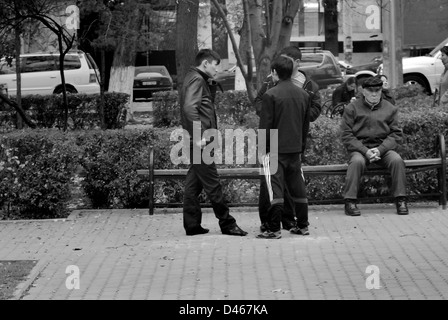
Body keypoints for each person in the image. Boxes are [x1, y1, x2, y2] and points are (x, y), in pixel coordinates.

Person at [180, 48, 248, 237]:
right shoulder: (196, 79)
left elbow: (198, 107)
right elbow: (189, 108)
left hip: (198, 140)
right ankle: (227, 223)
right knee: (212, 183)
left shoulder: (197, 78)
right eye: (215, 65)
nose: (218, 70)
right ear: (205, 63)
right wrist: (199, 136)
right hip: (200, 141)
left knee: (194, 184)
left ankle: (192, 225)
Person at [254, 46, 321, 232]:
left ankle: (273, 228)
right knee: (297, 188)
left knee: (273, 188)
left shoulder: (270, 94)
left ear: (275, 73)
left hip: (274, 149)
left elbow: (265, 126)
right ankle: (303, 225)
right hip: (295, 148)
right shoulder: (304, 94)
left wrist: (263, 150)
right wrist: (301, 146)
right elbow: (305, 125)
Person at [341, 76, 408, 216]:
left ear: (381, 91)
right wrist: (365, 151)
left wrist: (380, 149)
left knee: (397, 160)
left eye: (377, 91)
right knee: (356, 162)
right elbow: (347, 135)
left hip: (383, 148)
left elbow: (396, 134)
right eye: (370, 91)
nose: (374, 94)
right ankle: (350, 201)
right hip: (360, 148)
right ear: (363, 91)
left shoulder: (390, 108)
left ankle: (401, 199)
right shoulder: (351, 108)